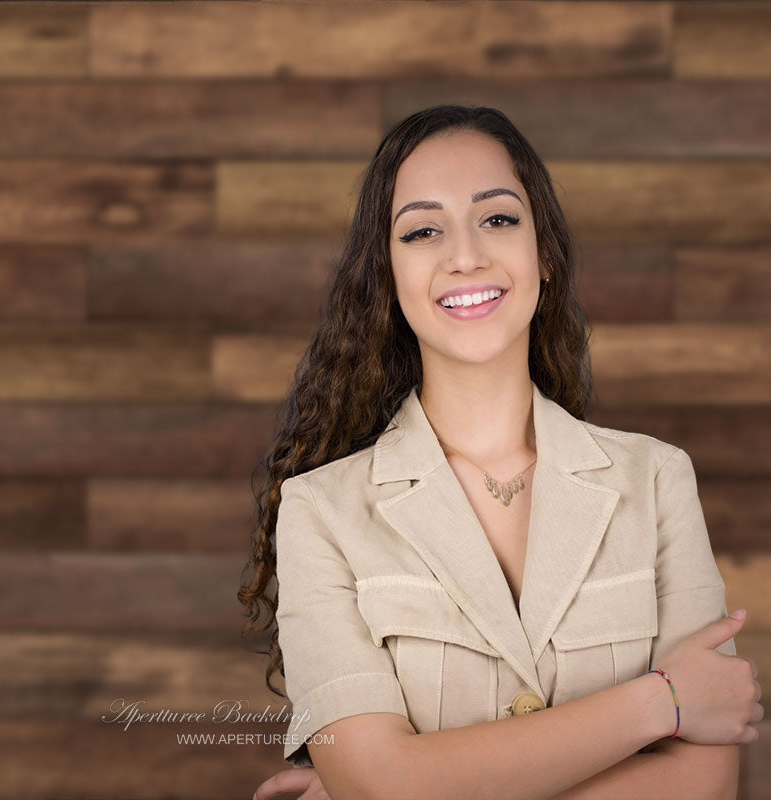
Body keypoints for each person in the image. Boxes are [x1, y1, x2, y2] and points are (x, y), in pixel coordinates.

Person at [240, 105, 762, 800]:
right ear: (388, 278)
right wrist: (661, 702)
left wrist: (407, 785)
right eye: (423, 231)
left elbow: (706, 785)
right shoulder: (319, 513)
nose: (465, 255)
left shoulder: (658, 480)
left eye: (498, 219)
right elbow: (380, 786)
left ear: (542, 252)